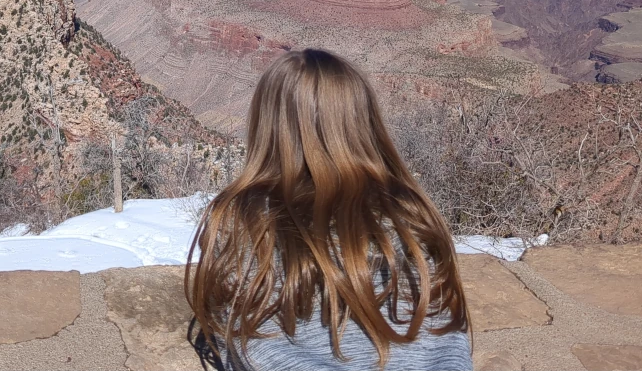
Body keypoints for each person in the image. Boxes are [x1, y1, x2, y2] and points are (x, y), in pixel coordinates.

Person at [185, 48, 472, 371]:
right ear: (363, 122)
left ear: (267, 125)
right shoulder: (412, 212)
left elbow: (241, 335)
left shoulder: (245, 218)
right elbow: (447, 337)